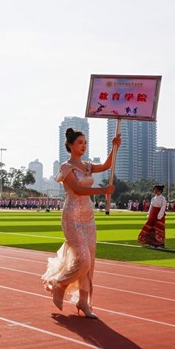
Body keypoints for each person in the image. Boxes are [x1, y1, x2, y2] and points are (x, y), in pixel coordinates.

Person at [42, 128, 120, 319]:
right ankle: (60, 283)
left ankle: (83, 302)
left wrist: (114, 147)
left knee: (90, 262)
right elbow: (76, 189)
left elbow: (106, 165)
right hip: (71, 217)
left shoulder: (87, 165)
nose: (83, 146)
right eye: (80, 142)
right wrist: (103, 191)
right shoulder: (66, 167)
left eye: (85, 142)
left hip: (88, 217)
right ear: (69, 145)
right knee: (83, 260)